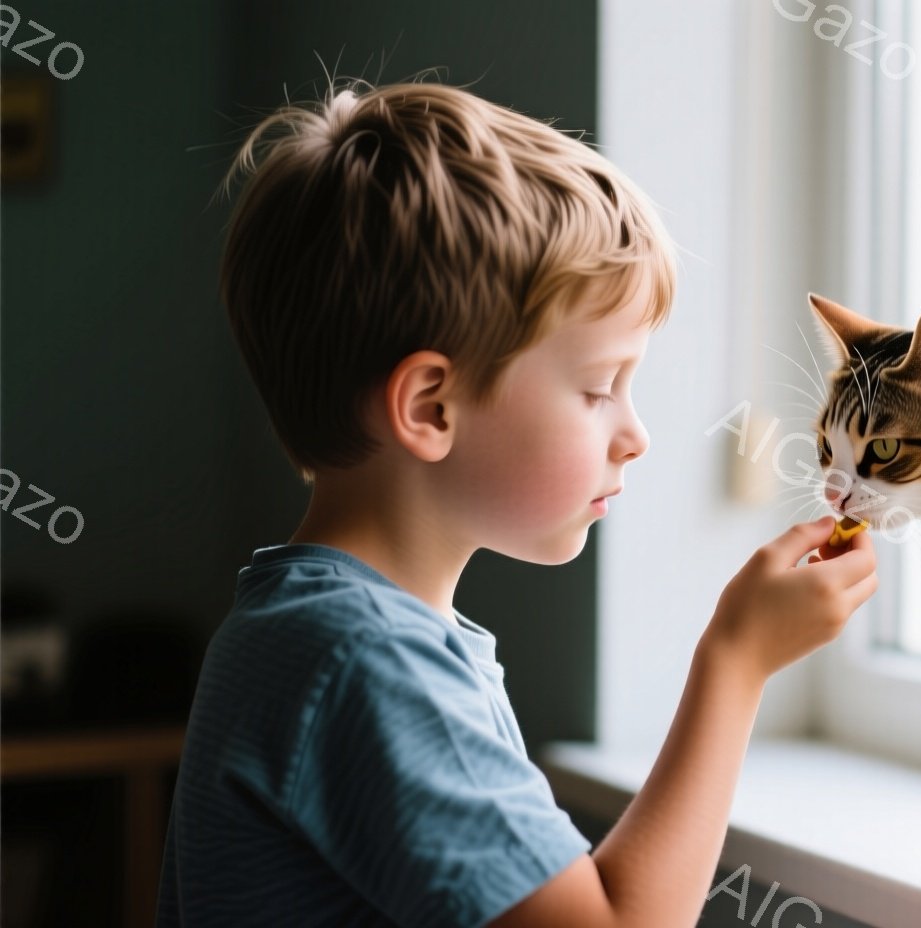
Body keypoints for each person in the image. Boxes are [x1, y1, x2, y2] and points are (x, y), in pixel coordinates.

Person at [156, 79, 878, 928]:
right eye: (600, 386)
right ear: (431, 407)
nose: (635, 434)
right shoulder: (365, 664)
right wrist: (737, 661)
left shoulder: (331, 634)